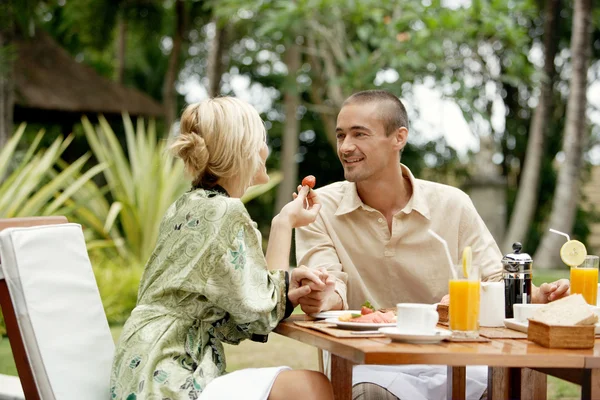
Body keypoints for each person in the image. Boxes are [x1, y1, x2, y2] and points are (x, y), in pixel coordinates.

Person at [294, 89, 570, 400]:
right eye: (341, 135)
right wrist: (322, 298)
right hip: (370, 364)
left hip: (457, 359)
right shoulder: (320, 207)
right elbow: (331, 286)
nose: (346, 147)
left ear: (399, 138)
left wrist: (536, 295)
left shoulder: (452, 204)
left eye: (359, 134)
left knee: (515, 387)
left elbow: (494, 280)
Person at [110, 97, 334, 400]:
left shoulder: (185, 206)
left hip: (141, 364)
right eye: (262, 140)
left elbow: (233, 311)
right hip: (171, 373)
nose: (266, 150)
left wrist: (287, 290)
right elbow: (260, 312)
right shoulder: (227, 212)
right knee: (311, 388)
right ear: (245, 149)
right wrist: (284, 224)